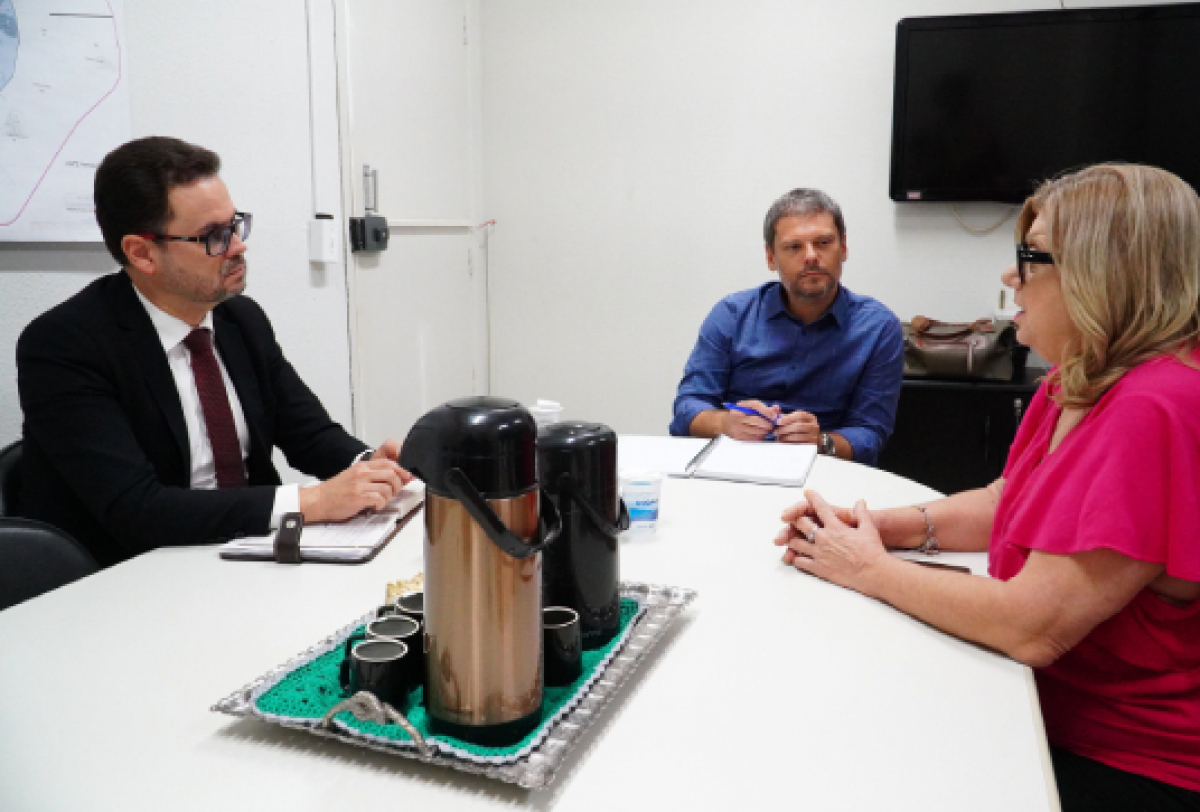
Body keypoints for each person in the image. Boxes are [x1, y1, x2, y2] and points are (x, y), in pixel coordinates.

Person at [776, 164, 1200, 810]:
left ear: (1102, 270)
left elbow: (1035, 626)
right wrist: (870, 528)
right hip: (1035, 701)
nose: (1011, 280)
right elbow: (1010, 499)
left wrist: (867, 569)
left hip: (1120, 758)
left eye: (1030, 259)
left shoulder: (1158, 405)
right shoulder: (1077, 376)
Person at [16, 136, 411, 568]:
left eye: (236, 225)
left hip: (248, 551)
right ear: (142, 253)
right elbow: (136, 509)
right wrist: (313, 501)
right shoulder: (64, 345)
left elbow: (309, 435)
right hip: (136, 572)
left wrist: (370, 467)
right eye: (214, 237)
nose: (239, 246)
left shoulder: (239, 320)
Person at [669, 188, 903, 465]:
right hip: (734, 463)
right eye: (794, 247)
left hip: (826, 470)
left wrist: (820, 442)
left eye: (824, 243)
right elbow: (687, 407)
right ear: (771, 257)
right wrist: (725, 424)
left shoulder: (878, 328)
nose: (811, 256)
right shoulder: (732, 314)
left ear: (844, 248)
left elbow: (871, 433)